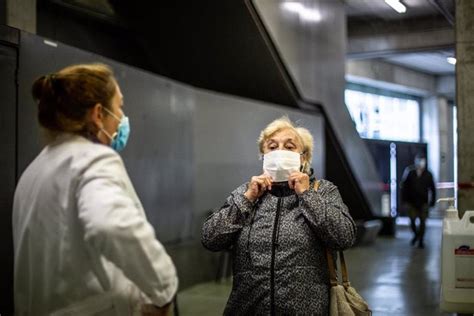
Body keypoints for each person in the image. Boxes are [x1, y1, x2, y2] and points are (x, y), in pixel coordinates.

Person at [12, 63, 178, 316]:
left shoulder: (34, 171)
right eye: (119, 106)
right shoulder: (93, 160)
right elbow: (112, 225)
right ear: (99, 114)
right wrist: (163, 290)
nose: (122, 117)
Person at [201, 117, 356, 315]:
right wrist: (247, 199)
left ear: (303, 158)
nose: (280, 152)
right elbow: (210, 239)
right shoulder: (246, 193)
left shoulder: (323, 191)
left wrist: (306, 195)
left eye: (289, 147)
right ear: (263, 155)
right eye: (272, 147)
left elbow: (344, 236)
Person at [400, 153, 436, 249]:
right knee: (412, 221)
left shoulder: (428, 174)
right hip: (412, 203)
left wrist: (432, 202)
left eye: (422, 161)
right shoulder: (410, 172)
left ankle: (420, 240)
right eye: (419, 160)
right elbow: (404, 187)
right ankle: (416, 235)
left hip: (423, 203)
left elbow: (433, 189)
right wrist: (404, 201)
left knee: (423, 222)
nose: (420, 163)